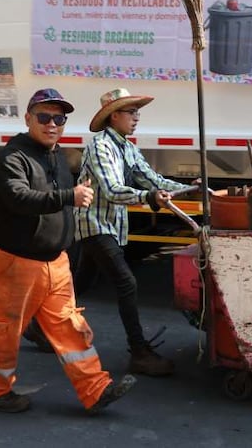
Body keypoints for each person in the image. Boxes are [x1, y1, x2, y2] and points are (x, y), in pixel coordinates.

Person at [0, 87, 135, 414]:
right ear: (28, 119)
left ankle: (96, 390)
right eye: (44, 117)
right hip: (16, 264)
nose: (52, 124)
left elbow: (65, 199)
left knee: (70, 328)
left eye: (59, 118)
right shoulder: (12, 157)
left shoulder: (56, 155)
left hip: (55, 264)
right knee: (5, 332)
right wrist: (68, 197)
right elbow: (17, 198)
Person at [71, 87, 196, 376]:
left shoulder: (127, 147)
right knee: (127, 283)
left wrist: (190, 188)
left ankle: (38, 327)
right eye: (132, 112)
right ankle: (139, 352)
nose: (137, 117)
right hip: (94, 224)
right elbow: (114, 191)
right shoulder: (99, 145)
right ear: (114, 116)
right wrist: (149, 198)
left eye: (137, 112)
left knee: (81, 283)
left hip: (111, 226)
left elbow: (152, 180)